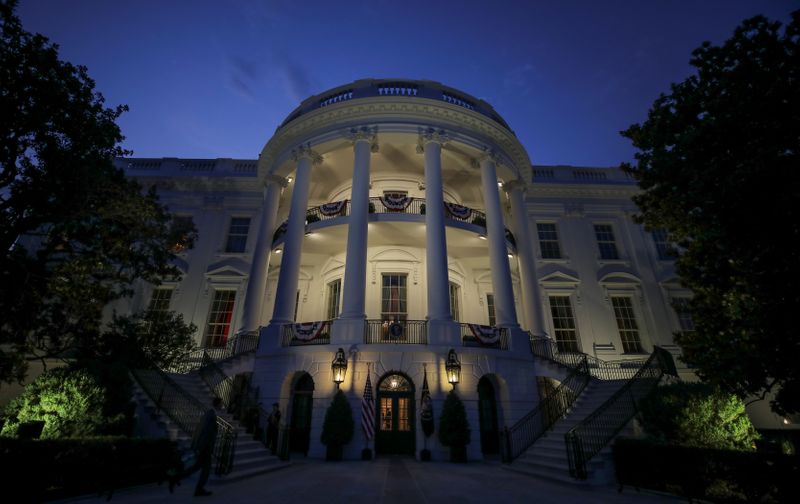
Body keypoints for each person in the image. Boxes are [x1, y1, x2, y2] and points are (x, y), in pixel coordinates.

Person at [190, 397, 221, 497]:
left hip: (205, 447)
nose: (222, 406)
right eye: (221, 404)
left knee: (197, 467)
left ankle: (177, 477)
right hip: (205, 448)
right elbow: (205, 432)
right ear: (218, 404)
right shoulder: (211, 415)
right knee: (205, 469)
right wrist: (202, 447)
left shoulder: (211, 413)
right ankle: (199, 489)